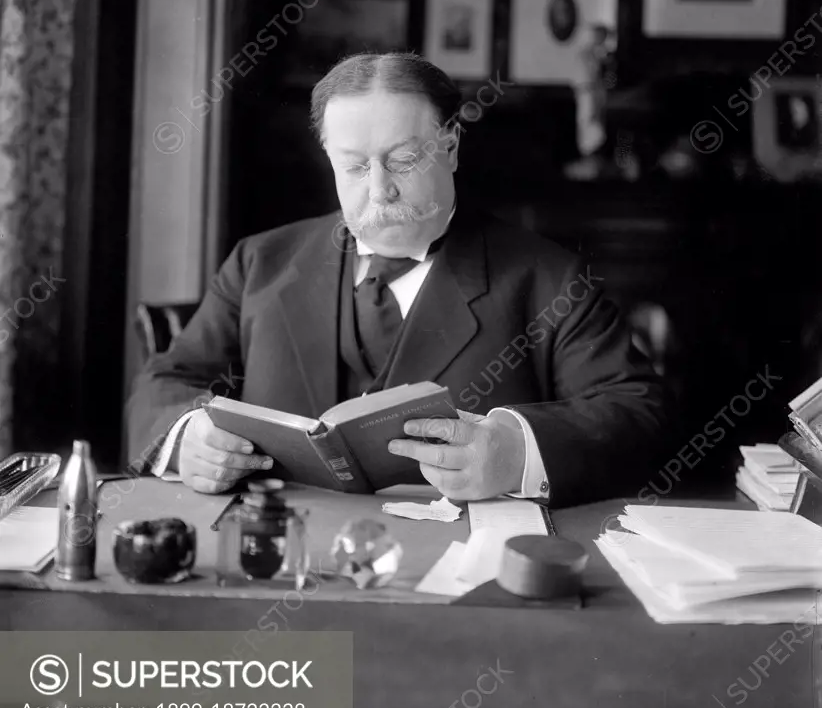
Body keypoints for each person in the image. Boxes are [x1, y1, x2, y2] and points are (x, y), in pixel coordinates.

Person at [127, 52, 667, 504]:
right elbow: (163, 384)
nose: (379, 189)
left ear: (451, 148)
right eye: (355, 167)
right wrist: (186, 439)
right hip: (281, 565)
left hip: (462, 585)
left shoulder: (548, 278)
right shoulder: (260, 263)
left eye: (404, 161)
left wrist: (517, 453)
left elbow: (639, 416)